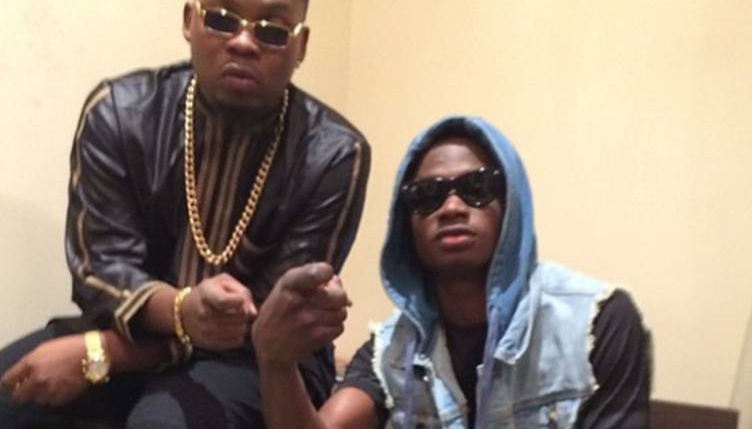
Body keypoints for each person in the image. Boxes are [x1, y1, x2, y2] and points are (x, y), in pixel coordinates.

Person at [0, 0, 370, 427]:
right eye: (221, 19)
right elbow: (99, 270)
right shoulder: (120, 113)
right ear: (190, 20)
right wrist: (177, 314)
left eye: (271, 31)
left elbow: (274, 321)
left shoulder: (334, 154)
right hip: (131, 327)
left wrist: (106, 354)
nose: (243, 42)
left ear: (301, 45)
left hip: (259, 363)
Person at [253, 116, 651, 428]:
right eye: (428, 195)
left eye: (476, 187)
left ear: (510, 203)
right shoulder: (391, 350)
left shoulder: (596, 322)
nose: (452, 207)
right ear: (405, 224)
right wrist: (275, 361)